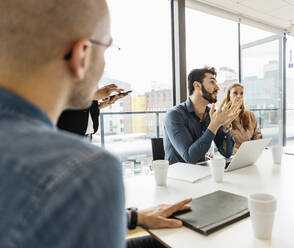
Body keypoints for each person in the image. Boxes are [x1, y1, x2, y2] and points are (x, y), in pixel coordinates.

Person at [0, 1, 191, 248]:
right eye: (105, 49)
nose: (103, 67)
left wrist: (136, 217)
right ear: (82, 54)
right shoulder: (84, 170)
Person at [164, 66, 242, 165]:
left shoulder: (210, 114)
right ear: (197, 85)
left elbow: (226, 153)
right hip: (179, 176)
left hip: (202, 172)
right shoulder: (174, 115)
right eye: (212, 82)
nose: (217, 88)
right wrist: (214, 125)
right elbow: (190, 158)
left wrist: (226, 128)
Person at [57, 84, 126, 138]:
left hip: (87, 135)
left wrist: (100, 106)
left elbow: (87, 106)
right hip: (69, 136)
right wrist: (94, 95)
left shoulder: (91, 79)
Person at [224, 83, 262, 154]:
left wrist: (258, 147)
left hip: (251, 154)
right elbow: (223, 144)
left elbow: (257, 134)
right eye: (235, 93)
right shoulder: (223, 117)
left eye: (241, 93)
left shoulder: (250, 114)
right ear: (229, 96)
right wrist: (240, 153)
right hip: (233, 156)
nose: (239, 96)